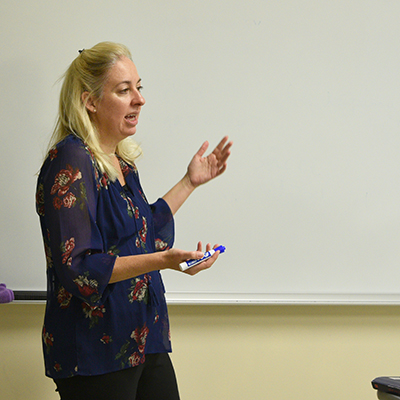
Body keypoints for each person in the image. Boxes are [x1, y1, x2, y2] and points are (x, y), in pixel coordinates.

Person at [35, 41, 232, 400]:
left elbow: (146, 231)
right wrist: (164, 262)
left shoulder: (122, 164)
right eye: (124, 90)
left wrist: (190, 182)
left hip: (144, 336)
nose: (139, 100)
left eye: (138, 88)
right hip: (96, 350)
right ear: (90, 101)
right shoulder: (71, 160)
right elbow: (78, 266)